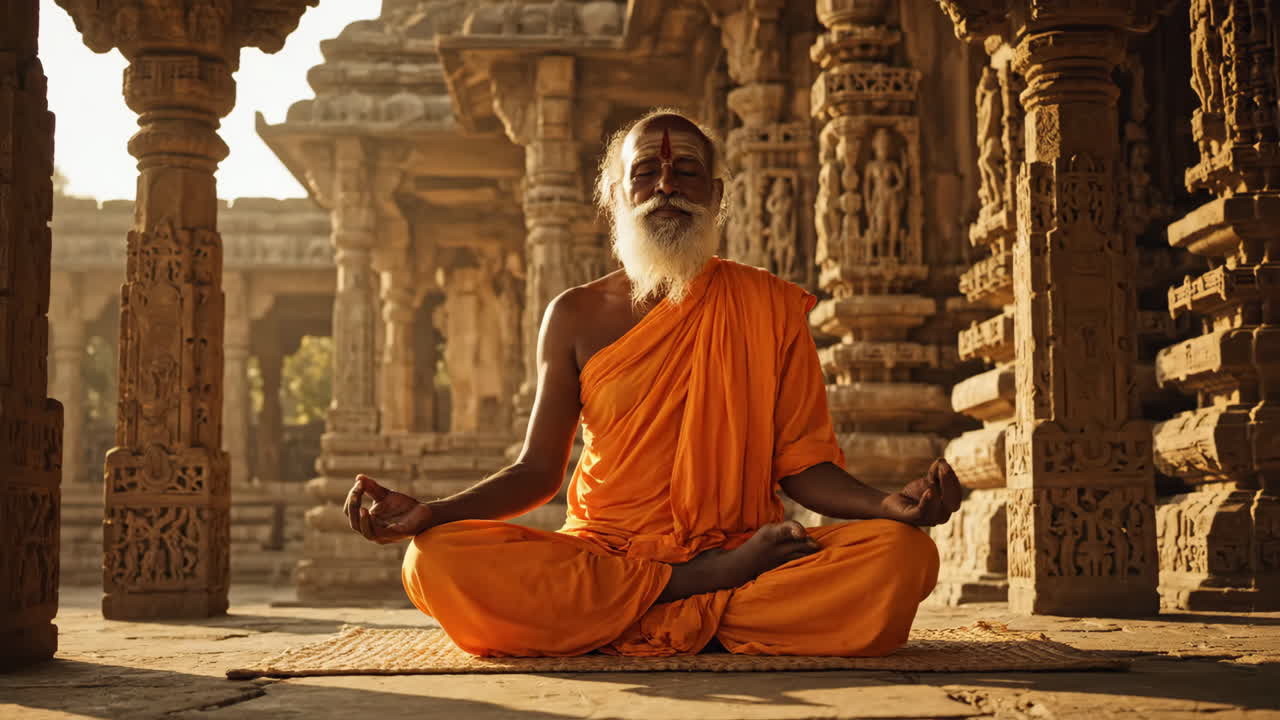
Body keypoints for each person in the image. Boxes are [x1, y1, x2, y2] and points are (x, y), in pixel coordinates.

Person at [344, 108, 962, 658]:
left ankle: (620, 616)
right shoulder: (574, 314)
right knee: (435, 559)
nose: (666, 184)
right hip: (608, 555)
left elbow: (800, 466)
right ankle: (692, 593)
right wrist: (433, 512)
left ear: (716, 195)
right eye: (645, 173)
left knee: (902, 555)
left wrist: (886, 506)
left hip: (749, 554)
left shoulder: (768, 305)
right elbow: (537, 473)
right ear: (615, 195)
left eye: (686, 173)